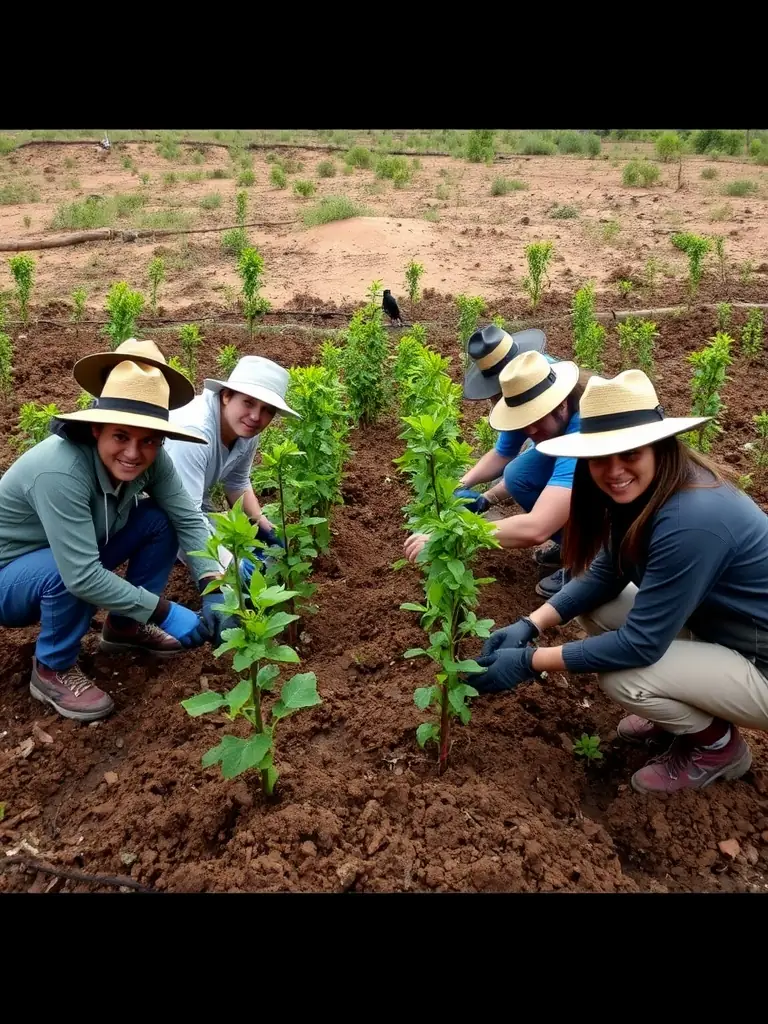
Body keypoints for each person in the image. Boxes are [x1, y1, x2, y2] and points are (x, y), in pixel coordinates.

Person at [472, 369, 768, 795]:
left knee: (624, 677)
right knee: (596, 604)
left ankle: (718, 746)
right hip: (722, 629)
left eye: (629, 452)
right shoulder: (647, 492)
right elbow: (605, 574)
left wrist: (528, 661)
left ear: (658, 446)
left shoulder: (692, 519)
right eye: (601, 456)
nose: (614, 470)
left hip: (761, 661)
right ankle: (680, 709)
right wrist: (529, 624)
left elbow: (640, 644)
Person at [0, 339, 234, 723]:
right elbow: (81, 574)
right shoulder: (60, 471)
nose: (133, 453)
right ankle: (51, 668)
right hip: (11, 579)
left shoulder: (151, 462)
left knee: (160, 519)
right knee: (65, 574)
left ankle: (125, 628)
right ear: (96, 429)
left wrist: (213, 585)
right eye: (121, 436)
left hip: (74, 556)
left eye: (149, 440)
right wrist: (164, 611)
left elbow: (188, 519)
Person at [405, 344, 590, 598]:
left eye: (536, 422)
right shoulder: (528, 386)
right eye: (525, 424)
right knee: (518, 475)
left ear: (561, 405)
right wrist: (468, 489)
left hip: (623, 510)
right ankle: (572, 545)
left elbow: (537, 528)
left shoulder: (583, 433)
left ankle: (590, 560)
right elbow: (503, 454)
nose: (530, 432)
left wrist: (455, 532)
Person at [164, 355, 299, 580]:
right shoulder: (194, 433)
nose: (256, 416)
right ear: (226, 396)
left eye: (267, 410)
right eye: (248, 402)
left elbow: (237, 482)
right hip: (154, 508)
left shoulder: (245, 429)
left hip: (190, 500)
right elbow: (186, 519)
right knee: (234, 575)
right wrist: (226, 565)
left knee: (249, 545)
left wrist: (263, 526)